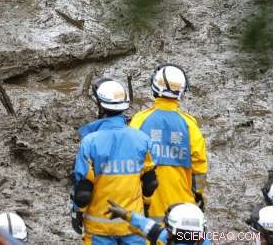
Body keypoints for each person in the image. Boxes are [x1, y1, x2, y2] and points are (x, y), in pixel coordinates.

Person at [71, 78, 158, 244]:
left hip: (99, 229)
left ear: (101, 105)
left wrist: (77, 213)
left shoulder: (90, 142)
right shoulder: (142, 140)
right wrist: (146, 206)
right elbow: (150, 182)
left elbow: (83, 192)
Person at [130, 64, 208, 221]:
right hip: (181, 211)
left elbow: (129, 160)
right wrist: (199, 193)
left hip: (145, 209)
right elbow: (199, 167)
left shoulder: (139, 121)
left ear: (154, 87)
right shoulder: (190, 125)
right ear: (182, 91)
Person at [106, 200, 211, 244]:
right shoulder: (200, 240)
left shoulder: (167, 239)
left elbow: (152, 229)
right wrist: (126, 215)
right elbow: (151, 228)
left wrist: (126, 215)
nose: (167, 232)